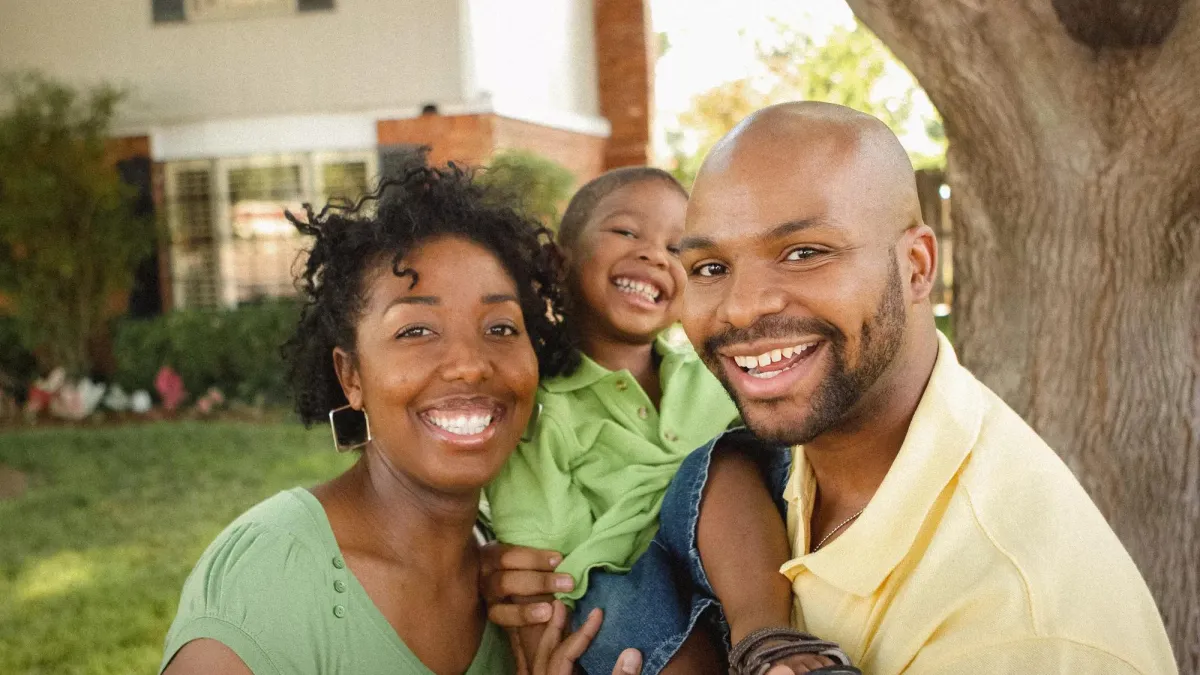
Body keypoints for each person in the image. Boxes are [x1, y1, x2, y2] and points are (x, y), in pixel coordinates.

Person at [486, 102, 1179, 675]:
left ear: (915, 267)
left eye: (804, 252)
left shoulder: (1021, 633)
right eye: (711, 265)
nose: (742, 306)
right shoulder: (787, 452)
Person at [159, 165, 641, 675]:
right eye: (416, 331)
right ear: (351, 376)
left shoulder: (520, 591)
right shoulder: (271, 579)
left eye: (501, 327)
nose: (471, 364)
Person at [483, 167, 740, 673]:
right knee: (611, 609)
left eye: (677, 248)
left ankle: (771, 640)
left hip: (736, 574)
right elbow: (542, 571)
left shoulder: (714, 377)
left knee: (727, 470)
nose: (653, 255)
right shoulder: (541, 406)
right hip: (626, 593)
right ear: (561, 261)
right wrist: (541, 658)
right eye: (626, 232)